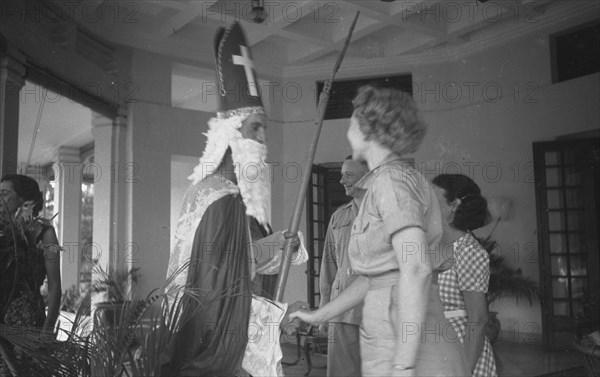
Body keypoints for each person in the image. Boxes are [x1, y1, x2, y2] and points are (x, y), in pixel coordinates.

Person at [289, 85, 469, 376]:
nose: (348, 130)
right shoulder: (395, 179)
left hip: (398, 329)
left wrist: (404, 364)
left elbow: (416, 268)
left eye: (350, 122)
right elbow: (376, 276)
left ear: (367, 129)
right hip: (393, 321)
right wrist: (319, 315)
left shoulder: (390, 183)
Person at [161, 22, 285, 376]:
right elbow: (214, 293)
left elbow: (237, 263)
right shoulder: (221, 199)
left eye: (265, 130)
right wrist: (232, 357)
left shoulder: (223, 193)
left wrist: (277, 245)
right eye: (255, 129)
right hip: (220, 351)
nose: (262, 140)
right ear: (231, 137)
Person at [432, 174, 498, 377]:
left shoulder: (469, 251)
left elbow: (478, 319)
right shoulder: (430, 245)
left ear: (454, 205)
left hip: (461, 350)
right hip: (432, 346)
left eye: (433, 198)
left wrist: (463, 371)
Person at [0, 174, 62, 375]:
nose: (0, 199)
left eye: (5, 194)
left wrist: (47, 333)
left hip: (28, 325)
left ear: (25, 200)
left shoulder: (44, 232)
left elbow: (55, 288)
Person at [318, 156, 368, 377]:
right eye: (342, 174)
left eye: (349, 175)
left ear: (367, 177)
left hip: (375, 309)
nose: (341, 180)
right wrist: (323, 307)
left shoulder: (385, 214)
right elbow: (328, 265)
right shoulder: (338, 216)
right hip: (342, 311)